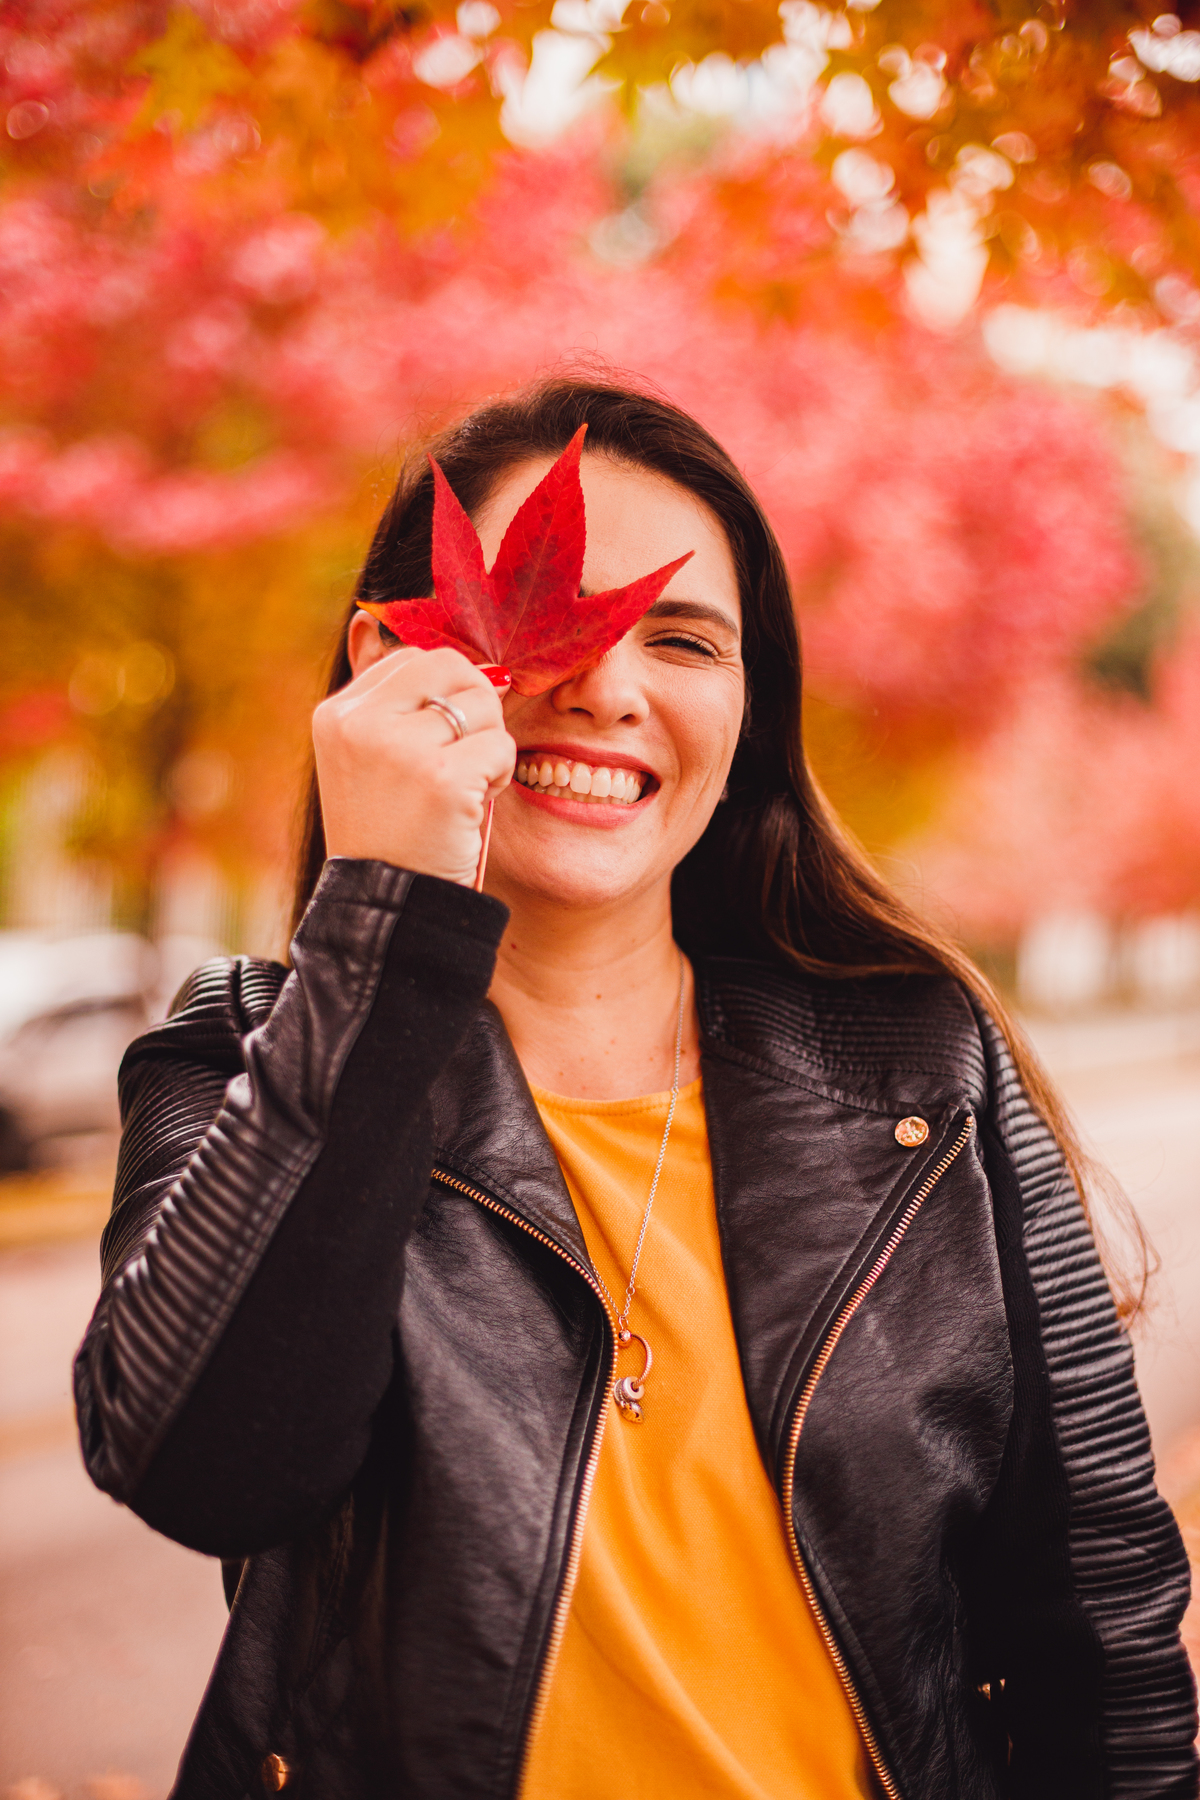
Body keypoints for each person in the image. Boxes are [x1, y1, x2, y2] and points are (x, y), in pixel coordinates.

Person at [75, 380, 1196, 1800]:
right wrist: (379, 919)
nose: (607, 683)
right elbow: (208, 1471)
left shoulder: (922, 1069)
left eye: (682, 638)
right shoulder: (246, 1061)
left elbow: (1099, 1617)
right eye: (549, 621)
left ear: (744, 716)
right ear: (386, 659)